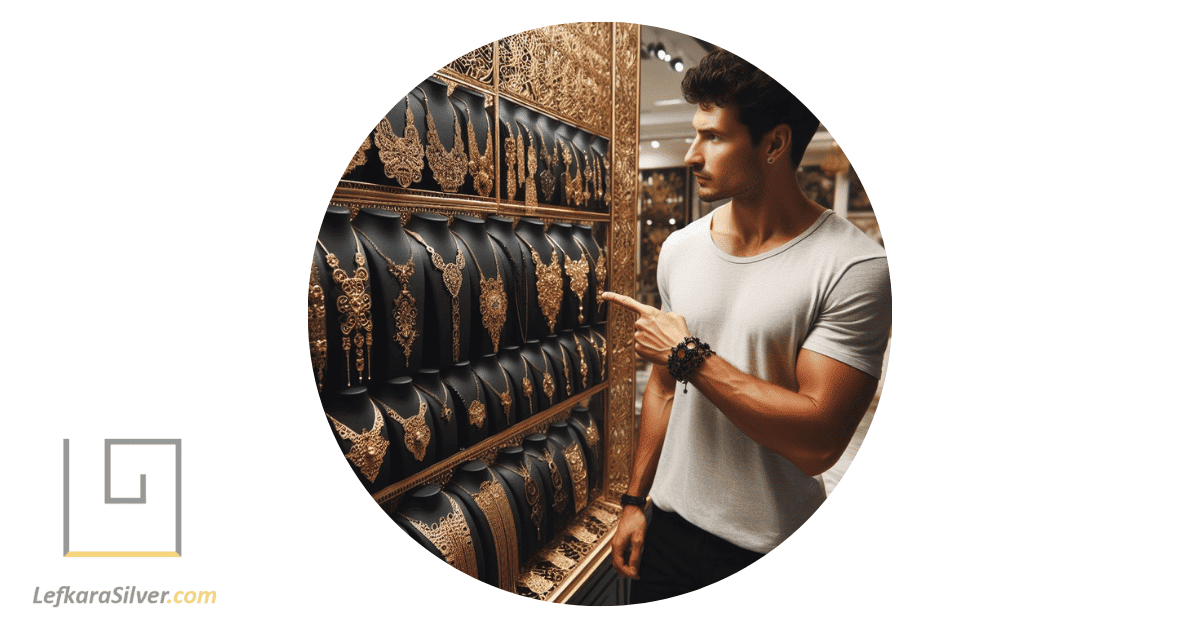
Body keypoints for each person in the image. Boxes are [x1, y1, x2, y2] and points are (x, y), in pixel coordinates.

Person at [602, 49, 891, 603]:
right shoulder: (681, 248)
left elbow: (818, 443)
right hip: (666, 525)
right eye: (693, 134)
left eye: (713, 137)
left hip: (770, 544)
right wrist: (635, 502)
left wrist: (690, 355)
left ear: (775, 143)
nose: (691, 155)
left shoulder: (854, 267)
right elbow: (664, 386)